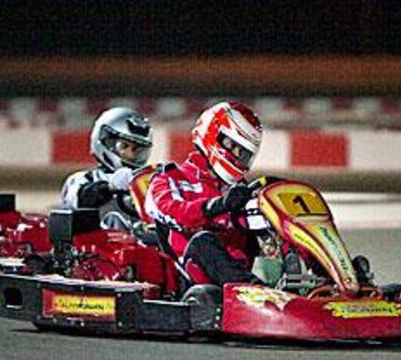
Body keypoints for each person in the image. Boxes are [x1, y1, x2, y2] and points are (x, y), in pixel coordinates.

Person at [144, 100, 263, 287]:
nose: (237, 154)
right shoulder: (169, 179)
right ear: (212, 135)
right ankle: (255, 292)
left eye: (243, 152)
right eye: (233, 146)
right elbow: (177, 214)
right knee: (203, 241)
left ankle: (317, 283)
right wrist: (219, 205)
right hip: (191, 279)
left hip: (238, 271)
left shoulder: (239, 190)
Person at [59, 107, 154, 226]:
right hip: (100, 242)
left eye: (137, 150)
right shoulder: (82, 179)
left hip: (143, 242)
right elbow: (79, 200)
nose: (130, 155)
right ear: (105, 141)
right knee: (114, 219)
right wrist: (110, 187)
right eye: (124, 146)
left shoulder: (146, 182)